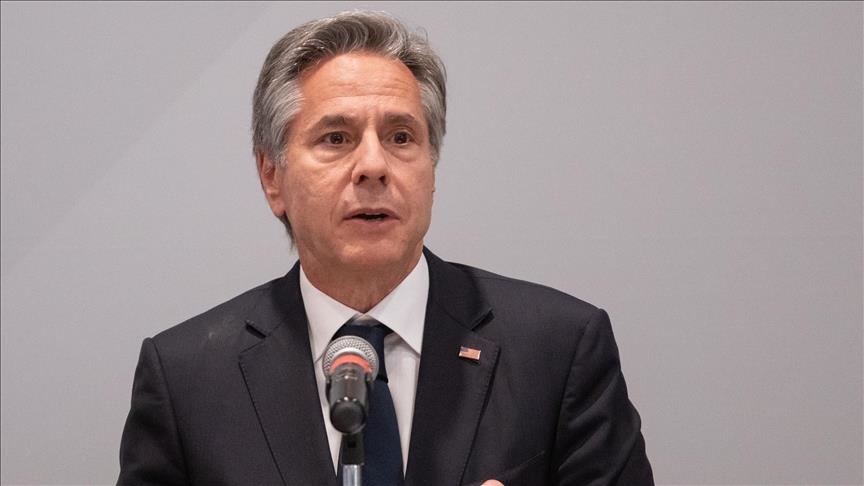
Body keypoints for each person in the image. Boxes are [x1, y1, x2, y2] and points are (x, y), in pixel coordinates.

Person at [117, 10, 653, 486]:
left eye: (401, 137)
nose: (373, 166)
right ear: (272, 176)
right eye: (336, 138)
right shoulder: (187, 379)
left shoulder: (559, 349)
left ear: (431, 170)